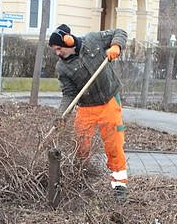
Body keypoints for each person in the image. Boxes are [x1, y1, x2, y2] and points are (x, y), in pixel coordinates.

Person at [49, 24, 128, 199]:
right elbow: (69, 94)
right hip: (85, 108)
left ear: (68, 41)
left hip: (108, 101)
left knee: (114, 145)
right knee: (81, 147)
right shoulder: (62, 68)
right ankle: (81, 180)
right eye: (55, 50)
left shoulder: (93, 40)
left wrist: (116, 45)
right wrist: (61, 116)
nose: (57, 53)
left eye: (59, 48)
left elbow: (119, 32)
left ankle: (119, 185)